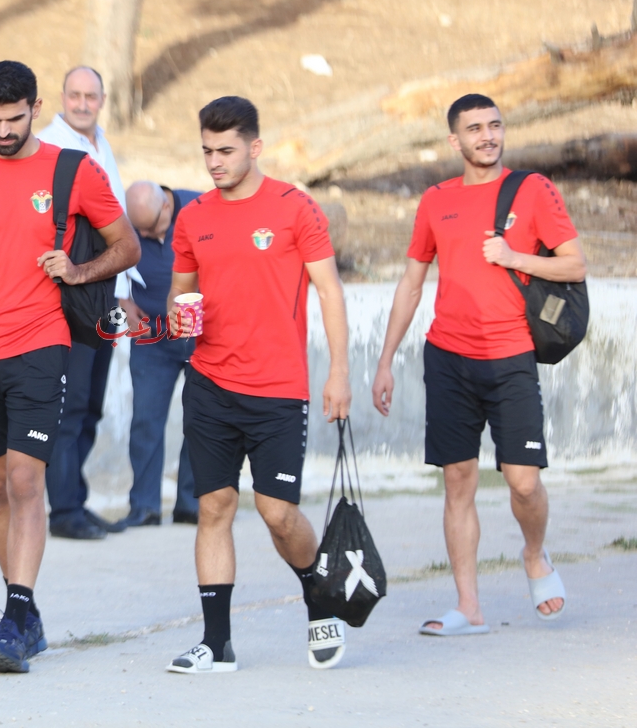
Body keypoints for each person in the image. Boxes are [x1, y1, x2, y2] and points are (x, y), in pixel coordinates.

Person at [0, 60, 139, 673]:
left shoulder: (74, 170)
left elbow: (127, 245)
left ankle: (14, 618)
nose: (3, 131)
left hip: (42, 343)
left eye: (14, 119)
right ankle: (26, 611)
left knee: (23, 481)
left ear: (36, 108)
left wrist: (79, 271)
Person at [371, 93, 581, 636]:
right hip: (448, 357)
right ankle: (469, 607)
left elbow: (575, 264)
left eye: (494, 125)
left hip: (511, 356)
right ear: (454, 140)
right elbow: (412, 283)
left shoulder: (532, 190)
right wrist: (386, 359)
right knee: (458, 481)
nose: (487, 136)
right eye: (475, 128)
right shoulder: (435, 200)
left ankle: (534, 554)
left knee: (524, 483)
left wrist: (514, 257)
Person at [164, 96, 351, 675]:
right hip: (210, 384)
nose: (214, 162)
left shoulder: (295, 208)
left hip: (277, 389)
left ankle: (319, 593)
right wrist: (177, 315)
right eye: (207, 151)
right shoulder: (193, 216)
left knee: (276, 513)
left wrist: (339, 372)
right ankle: (216, 643)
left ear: (255, 147)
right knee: (214, 507)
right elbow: (180, 292)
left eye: (225, 151)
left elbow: (329, 291)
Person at [37, 65, 138, 538]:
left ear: (102, 100)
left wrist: (124, 294)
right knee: (70, 405)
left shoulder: (102, 146)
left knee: (93, 404)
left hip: (104, 293)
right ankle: (63, 512)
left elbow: (118, 230)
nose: (82, 104)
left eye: (90, 96)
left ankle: (74, 498)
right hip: (68, 297)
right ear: (62, 97)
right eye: (74, 95)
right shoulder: (49, 147)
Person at [119, 181, 201, 526]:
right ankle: (145, 506)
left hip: (200, 335)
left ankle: (191, 504)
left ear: (166, 207)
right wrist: (122, 299)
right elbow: (108, 257)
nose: (143, 235)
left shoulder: (201, 209)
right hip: (151, 336)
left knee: (200, 420)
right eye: (137, 228)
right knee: (146, 421)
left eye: (150, 228)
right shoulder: (128, 221)